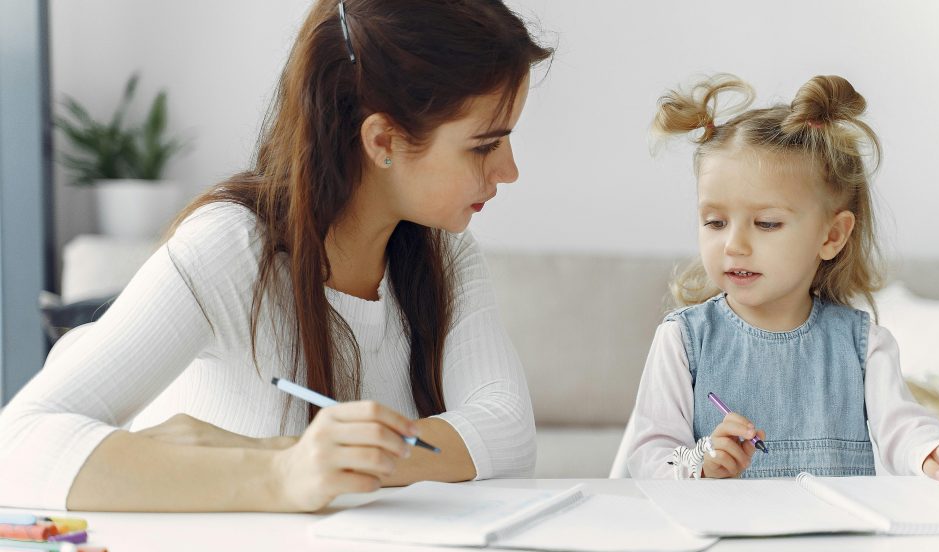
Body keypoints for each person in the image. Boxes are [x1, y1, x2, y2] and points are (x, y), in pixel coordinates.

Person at [0, 0, 552, 511]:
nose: (510, 171)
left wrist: (318, 458)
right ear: (382, 141)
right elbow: (18, 446)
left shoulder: (445, 252)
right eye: (484, 145)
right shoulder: (232, 248)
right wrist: (282, 473)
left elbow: (506, 432)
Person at [625, 74, 939, 482]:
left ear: (832, 235)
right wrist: (701, 459)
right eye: (714, 222)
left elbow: (903, 428)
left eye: (766, 223)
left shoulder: (863, 345)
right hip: (725, 544)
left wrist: (936, 449)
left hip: (836, 544)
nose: (733, 244)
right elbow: (647, 457)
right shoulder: (683, 341)